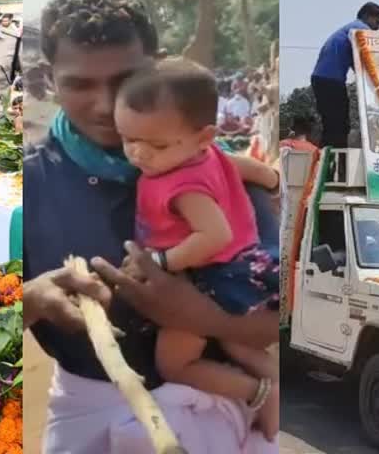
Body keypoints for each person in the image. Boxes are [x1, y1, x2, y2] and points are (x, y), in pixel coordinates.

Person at [24, 0, 280, 453]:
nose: (104, 106)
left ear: (157, 65)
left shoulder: (220, 174)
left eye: (124, 80)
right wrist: (30, 301)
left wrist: (199, 317)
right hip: (85, 418)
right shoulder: (27, 185)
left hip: (216, 411)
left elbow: (278, 317)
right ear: (47, 79)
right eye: (80, 84)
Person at [114, 57, 281, 439]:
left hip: (213, 274)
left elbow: (215, 236)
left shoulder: (181, 186)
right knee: (235, 344)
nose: (139, 154)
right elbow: (245, 167)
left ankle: (257, 391)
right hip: (244, 266)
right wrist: (271, 179)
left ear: (203, 136)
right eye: (128, 139)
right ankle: (272, 381)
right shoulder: (206, 154)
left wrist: (161, 260)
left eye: (155, 144)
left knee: (175, 362)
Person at [311, 2, 379, 148]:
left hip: (324, 79)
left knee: (333, 124)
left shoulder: (348, 30)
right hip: (330, 81)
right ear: (368, 16)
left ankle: (328, 160)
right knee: (339, 124)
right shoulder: (361, 29)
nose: (377, 28)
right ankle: (338, 164)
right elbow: (368, 59)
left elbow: (356, 62)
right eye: (377, 22)